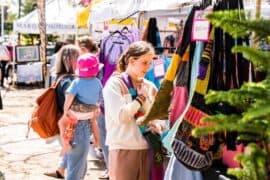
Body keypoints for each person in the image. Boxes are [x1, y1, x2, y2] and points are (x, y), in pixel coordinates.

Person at [103, 41, 158, 180]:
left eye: (150, 63)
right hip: (123, 150)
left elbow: (159, 115)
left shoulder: (149, 86)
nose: (148, 67)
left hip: (147, 149)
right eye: (144, 62)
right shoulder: (115, 84)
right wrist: (141, 98)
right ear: (132, 60)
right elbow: (121, 116)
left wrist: (158, 125)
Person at [44, 44, 80, 179]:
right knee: (76, 162)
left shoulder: (61, 76)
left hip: (63, 123)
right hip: (69, 124)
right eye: (79, 57)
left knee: (72, 154)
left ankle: (60, 170)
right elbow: (71, 101)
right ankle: (62, 171)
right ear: (71, 60)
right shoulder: (69, 80)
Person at [58, 53, 103, 157]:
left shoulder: (77, 82)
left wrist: (66, 111)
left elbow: (69, 98)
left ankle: (66, 144)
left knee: (63, 123)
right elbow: (100, 97)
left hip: (77, 113)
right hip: (91, 112)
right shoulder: (98, 82)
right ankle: (97, 142)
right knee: (94, 122)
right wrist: (97, 107)